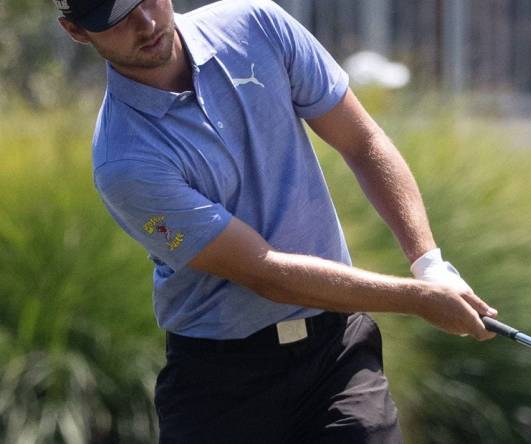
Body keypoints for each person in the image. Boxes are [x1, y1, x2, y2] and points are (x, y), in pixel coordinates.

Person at [55, 0, 497, 442]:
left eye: (146, 0)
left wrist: (430, 266)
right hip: (220, 386)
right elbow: (264, 272)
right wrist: (419, 298)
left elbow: (362, 142)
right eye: (115, 21)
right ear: (76, 31)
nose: (146, 23)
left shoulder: (256, 25)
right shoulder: (124, 161)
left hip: (335, 352)